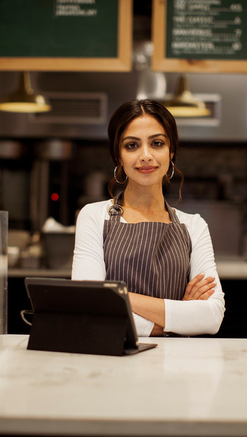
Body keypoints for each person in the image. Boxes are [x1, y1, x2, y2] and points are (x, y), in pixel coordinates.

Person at [71, 99, 225, 337]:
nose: (145, 155)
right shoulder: (93, 216)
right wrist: (178, 315)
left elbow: (212, 317)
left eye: (157, 143)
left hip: (176, 367)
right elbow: (88, 306)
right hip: (112, 361)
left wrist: (114, 295)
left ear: (171, 152)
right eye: (132, 145)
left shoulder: (194, 226)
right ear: (118, 156)